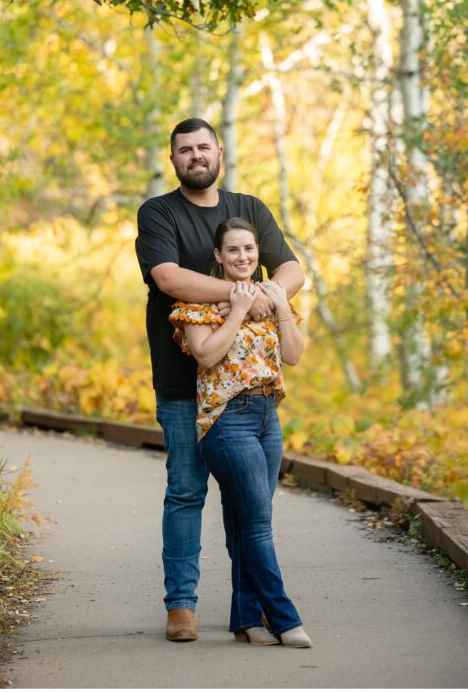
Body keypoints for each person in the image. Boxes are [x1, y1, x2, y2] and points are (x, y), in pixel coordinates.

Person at [135, 118, 304, 642]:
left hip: (248, 391)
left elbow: (292, 270)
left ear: (220, 151)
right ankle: (180, 606)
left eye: (203, 147)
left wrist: (269, 298)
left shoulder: (249, 209)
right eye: (185, 150)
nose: (195, 156)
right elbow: (168, 277)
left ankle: (246, 613)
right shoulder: (159, 212)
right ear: (174, 160)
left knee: (250, 506)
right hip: (184, 380)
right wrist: (242, 298)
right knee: (186, 491)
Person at [169, 217, 311, 648]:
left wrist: (280, 306)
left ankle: (246, 619)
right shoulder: (196, 307)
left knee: (244, 521)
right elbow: (207, 355)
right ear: (219, 256)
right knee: (258, 524)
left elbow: (293, 355)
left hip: (268, 416)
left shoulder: (272, 298)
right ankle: (284, 619)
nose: (244, 257)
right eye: (233, 250)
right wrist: (239, 309)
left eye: (250, 249)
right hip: (226, 421)